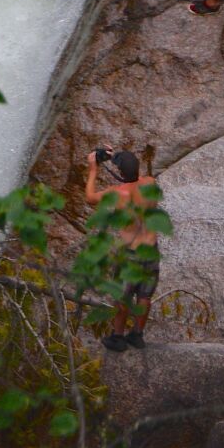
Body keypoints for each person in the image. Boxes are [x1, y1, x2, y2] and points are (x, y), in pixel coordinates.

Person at [83, 147, 160, 352]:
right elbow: (134, 175)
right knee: (144, 296)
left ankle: (118, 337)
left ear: (120, 173)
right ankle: (137, 334)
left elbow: (90, 197)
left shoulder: (117, 193)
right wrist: (114, 157)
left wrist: (93, 168)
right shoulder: (150, 183)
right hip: (151, 250)